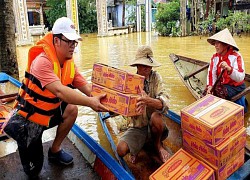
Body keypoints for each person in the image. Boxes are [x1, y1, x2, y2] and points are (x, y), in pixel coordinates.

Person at [4, 17, 108, 178]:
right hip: (30, 120)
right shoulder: (42, 62)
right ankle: (26, 148)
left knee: (72, 109)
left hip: (48, 113)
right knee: (34, 171)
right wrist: (90, 103)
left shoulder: (68, 61)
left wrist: (102, 99)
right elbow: (60, 91)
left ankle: (55, 150)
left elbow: (83, 85)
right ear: (56, 40)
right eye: (70, 42)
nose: (73, 46)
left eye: (75, 42)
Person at [116, 45, 171, 164]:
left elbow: (165, 103)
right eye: (143, 64)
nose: (147, 68)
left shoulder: (156, 78)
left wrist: (147, 100)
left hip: (155, 126)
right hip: (138, 127)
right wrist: (114, 106)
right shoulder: (129, 82)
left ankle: (157, 146)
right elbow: (120, 108)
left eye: (148, 65)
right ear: (137, 65)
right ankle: (139, 145)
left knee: (156, 117)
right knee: (120, 149)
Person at [205, 28, 246, 110]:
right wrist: (210, 87)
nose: (215, 45)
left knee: (218, 91)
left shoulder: (236, 56)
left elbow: (240, 77)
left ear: (226, 45)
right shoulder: (215, 57)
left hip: (235, 87)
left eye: (218, 43)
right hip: (222, 85)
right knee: (206, 92)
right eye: (215, 43)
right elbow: (211, 74)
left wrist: (230, 69)